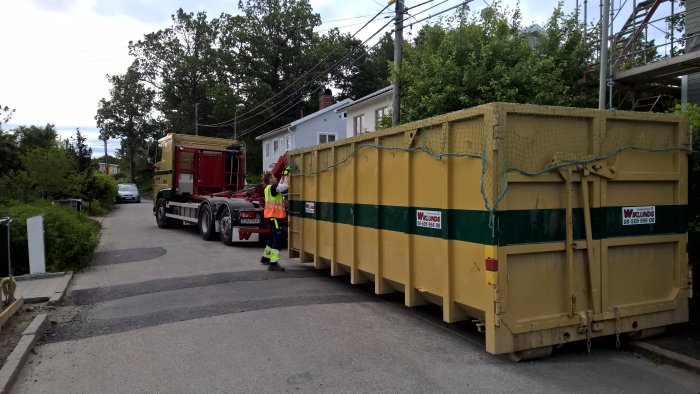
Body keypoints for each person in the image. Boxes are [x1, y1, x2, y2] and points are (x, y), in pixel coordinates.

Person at [260, 166, 290, 271]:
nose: (276, 178)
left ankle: (265, 258)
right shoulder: (272, 188)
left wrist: (283, 174)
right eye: (274, 177)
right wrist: (286, 174)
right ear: (270, 180)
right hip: (275, 217)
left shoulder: (268, 188)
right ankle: (273, 264)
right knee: (279, 238)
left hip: (271, 217)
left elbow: (280, 184)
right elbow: (285, 186)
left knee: (272, 238)